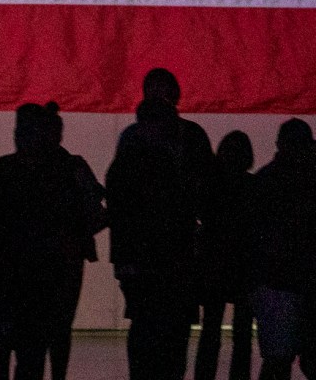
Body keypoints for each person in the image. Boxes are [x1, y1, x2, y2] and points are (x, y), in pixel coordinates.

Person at [111, 71, 220, 380]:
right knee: (166, 329)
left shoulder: (134, 138)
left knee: (152, 327)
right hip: (170, 253)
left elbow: (120, 200)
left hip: (166, 254)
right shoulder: (188, 136)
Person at [0, 104, 102, 380]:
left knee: (32, 343)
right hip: (50, 265)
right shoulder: (69, 169)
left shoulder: (3, 170)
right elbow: (97, 212)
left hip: (32, 266)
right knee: (46, 338)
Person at [248, 119, 315, 380]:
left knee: (277, 359)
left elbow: (255, 236)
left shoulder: (266, 180)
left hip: (275, 282)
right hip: (299, 278)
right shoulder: (303, 178)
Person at [199, 131, 259, 380]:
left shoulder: (211, 186)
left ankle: (204, 375)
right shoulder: (253, 186)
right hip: (244, 265)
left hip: (215, 264)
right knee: (242, 333)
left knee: (210, 330)